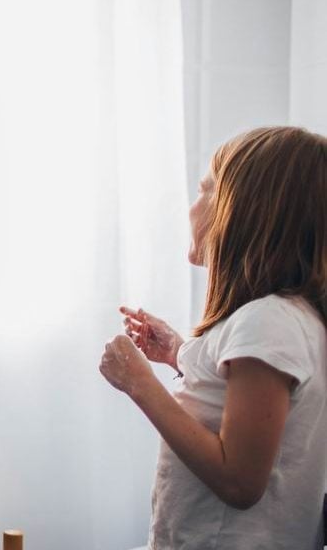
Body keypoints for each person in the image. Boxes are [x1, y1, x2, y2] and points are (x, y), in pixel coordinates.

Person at [99, 126, 327, 549]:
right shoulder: (284, 317)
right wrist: (179, 354)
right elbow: (237, 397)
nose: (192, 207)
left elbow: (239, 481)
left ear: (246, 212)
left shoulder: (268, 321)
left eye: (206, 191)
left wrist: (140, 385)